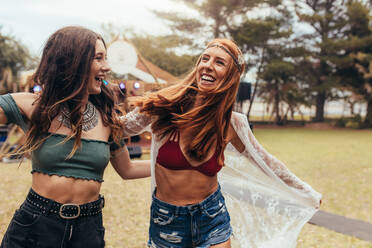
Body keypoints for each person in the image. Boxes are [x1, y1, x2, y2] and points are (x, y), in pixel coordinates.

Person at [119, 38, 322, 248]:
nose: (208, 65)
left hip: (211, 215)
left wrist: (305, 191)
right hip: (168, 218)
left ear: (231, 77)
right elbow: (119, 129)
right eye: (205, 59)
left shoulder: (232, 123)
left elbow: (267, 162)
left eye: (219, 62)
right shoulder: (165, 106)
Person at [0, 26, 150, 248]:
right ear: (73, 61)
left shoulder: (106, 118)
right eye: (98, 58)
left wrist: (176, 163)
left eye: (106, 58)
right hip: (37, 225)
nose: (107, 67)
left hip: (88, 230)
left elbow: (128, 170)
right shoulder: (32, 106)